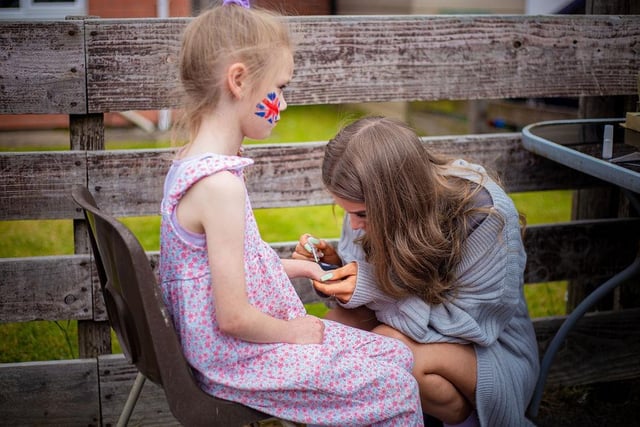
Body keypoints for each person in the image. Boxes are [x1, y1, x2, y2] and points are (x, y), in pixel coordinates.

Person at [158, 2, 424, 426]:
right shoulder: (219, 187)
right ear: (239, 80)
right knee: (396, 387)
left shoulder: (193, 166)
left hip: (230, 352)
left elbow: (216, 273)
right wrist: (295, 333)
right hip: (236, 360)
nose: (282, 103)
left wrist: (302, 270)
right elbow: (232, 317)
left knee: (396, 355)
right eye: (279, 88)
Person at [294, 116, 540, 427]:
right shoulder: (371, 204)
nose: (354, 225)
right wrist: (335, 270)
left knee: (389, 349)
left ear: (396, 199)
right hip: (413, 326)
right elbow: (372, 289)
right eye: (347, 212)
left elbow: (469, 325)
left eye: (362, 214)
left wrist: (369, 287)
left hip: (488, 350)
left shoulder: (484, 214)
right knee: (333, 329)